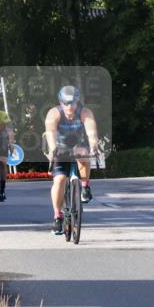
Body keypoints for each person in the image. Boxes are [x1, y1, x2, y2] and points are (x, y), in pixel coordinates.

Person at [44, 86, 100, 234]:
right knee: (60, 180)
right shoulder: (54, 113)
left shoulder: (85, 112)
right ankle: (58, 216)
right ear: (60, 103)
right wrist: (53, 149)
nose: (70, 106)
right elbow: (50, 132)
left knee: (84, 154)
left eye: (73, 103)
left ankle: (85, 186)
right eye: (66, 103)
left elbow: (91, 131)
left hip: (78, 144)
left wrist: (94, 146)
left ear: (77, 102)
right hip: (60, 147)